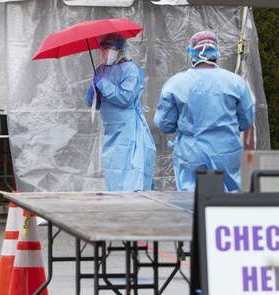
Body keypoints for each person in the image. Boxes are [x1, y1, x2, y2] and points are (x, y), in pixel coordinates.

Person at [153, 30, 255, 192]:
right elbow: (246, 121)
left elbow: (165, 124)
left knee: (192, 203)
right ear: (216, 53)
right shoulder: (236, 83)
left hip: (191, 154)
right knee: (230, 201)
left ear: (192, 53)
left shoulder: (176, 84)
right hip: (226, 152)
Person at [84, 33, 156, 191]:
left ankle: (133, 207)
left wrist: (103, 85)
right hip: (111, 130)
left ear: (119, 49)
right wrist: (91, 92)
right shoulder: (100, 70)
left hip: (128, 129)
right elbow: (94, 105)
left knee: (130, 172)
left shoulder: (130, 69)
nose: (104, 52)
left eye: (108, 48)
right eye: (102, 48)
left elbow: (126, 98)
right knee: (114, 172)